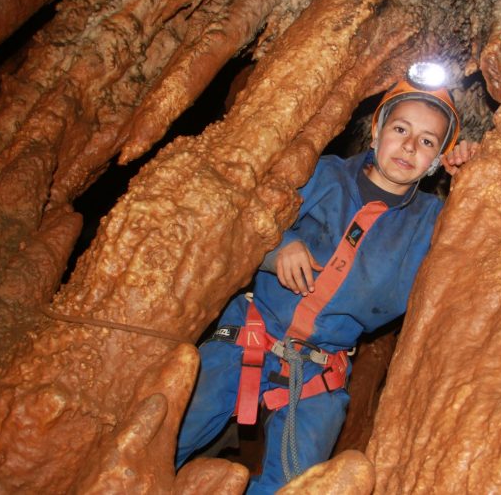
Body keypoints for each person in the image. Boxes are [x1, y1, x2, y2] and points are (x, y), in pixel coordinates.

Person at [175, 62, 477, 494]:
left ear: (436, 160)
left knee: (296, 485)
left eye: (427, 141)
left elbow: (472, 265)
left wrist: (473, 187)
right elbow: (241, 223)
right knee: (173, 430)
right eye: (400, 129)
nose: (409, 146)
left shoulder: (432, 224)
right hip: (251, 331)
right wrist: (277, 246)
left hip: (320, 369)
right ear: (376, 132)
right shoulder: (322, 174)